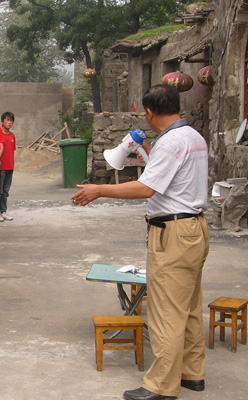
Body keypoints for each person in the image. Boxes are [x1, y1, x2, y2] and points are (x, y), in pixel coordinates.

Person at [72, 84, 209, 400]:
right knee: (188, 305)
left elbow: (148, 188)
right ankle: (192, 372)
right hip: (195, 228)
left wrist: (99, 190)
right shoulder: (193, 137)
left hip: (173, 232)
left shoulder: (171, 142)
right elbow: (174, 180)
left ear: (149, 112)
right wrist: (149, 150)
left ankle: (161, 385)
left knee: (166, 310)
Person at [0, 111, 16, 222]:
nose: (9, 122)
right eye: (7, 120)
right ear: (2, 121)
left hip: (10, 167)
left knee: (6, 191)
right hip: (1, 168)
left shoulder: (12, 136)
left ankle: (4, 211)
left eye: (11, 120)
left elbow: (12, 150)